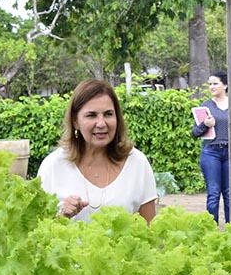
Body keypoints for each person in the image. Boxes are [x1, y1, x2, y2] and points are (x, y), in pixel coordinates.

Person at [38, 79, 158, 223]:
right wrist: (62, 216)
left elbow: (150, 233)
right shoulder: (53, 166)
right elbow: (38, 234)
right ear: (75, 121)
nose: (101, 124)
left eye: (108, 114)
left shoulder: (137, 163)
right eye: (91, 115)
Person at [191, 71, 231, 225]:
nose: (212, 87)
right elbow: (195, 132)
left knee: (229, 194)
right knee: (213, 193)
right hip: (211, 152)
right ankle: (211, 230)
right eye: (210, 84)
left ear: (225, 85)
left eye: (215, 83)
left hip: (230, 152)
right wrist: (204, 125)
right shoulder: (205, 106)